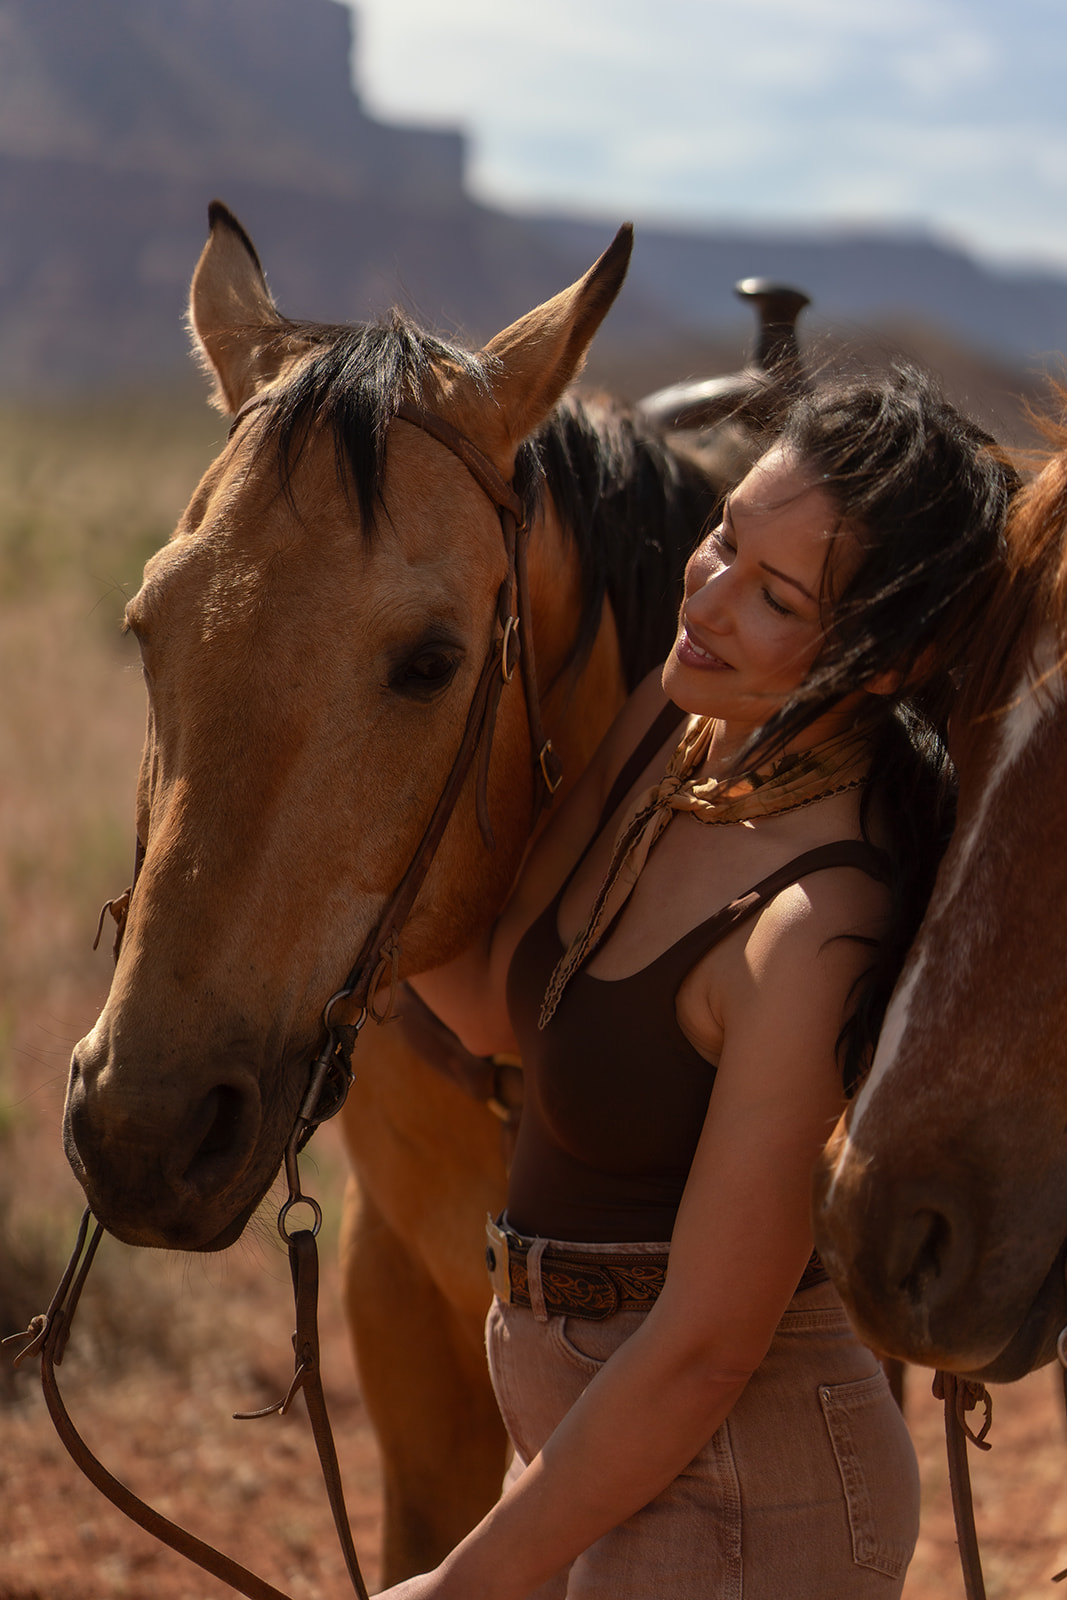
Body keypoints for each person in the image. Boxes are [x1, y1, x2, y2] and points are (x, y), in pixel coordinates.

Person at [375, 365, 1017, 1600]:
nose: (709, 595)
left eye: (774, 596)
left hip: (753, 1492)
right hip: (608, 1450)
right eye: (724, 537)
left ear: (881, 665)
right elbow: (501, 1003)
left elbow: (707, 1345)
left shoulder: (814, 927)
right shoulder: (679, 728)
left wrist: (466, 1583)